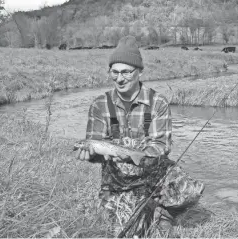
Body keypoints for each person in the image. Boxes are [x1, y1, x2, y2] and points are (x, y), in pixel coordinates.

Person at [75, 35, 176, 237]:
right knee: (120, 230)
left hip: (150, 178)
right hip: (116, 182)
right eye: (114, 72)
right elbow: (97, 146)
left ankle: (161, 208)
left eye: (126, 72)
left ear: (139, 72)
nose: (119, 78)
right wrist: (91, 155)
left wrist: (130, 154)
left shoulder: (158, 103)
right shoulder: (99, 104)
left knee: (188, 191)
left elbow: (161, 146)